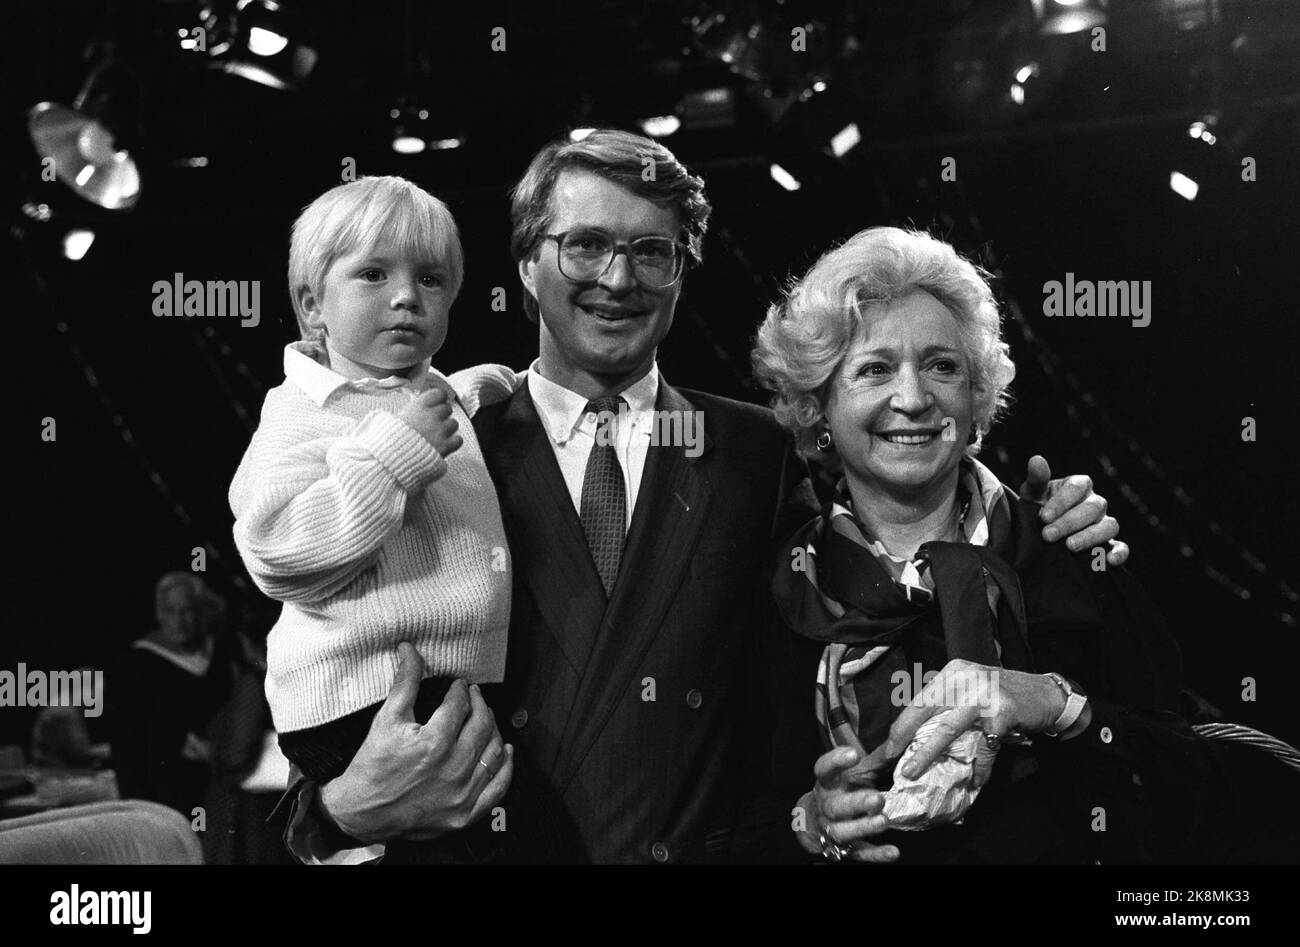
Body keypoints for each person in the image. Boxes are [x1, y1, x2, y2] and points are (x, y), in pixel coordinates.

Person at [281, 130, 1125, 865]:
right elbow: (339, 656)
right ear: (526, 263)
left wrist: (1051, 529)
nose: (619, 278)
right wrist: (339, 811)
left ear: (684, 271)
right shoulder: (440, 443)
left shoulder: (755, 450)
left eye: (654, 252)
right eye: (585, 245)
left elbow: (898, 542)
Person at [754, 226, 1264, 863]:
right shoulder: (781, 587)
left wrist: (1057, 706)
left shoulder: (1069, 551)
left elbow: (1189, 772)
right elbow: (736, 813)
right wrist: (812, 822)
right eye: (874, 369)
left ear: (976, 400)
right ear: (818, 406)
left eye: (943, 366)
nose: (912, 398)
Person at [229, 175, 580, 863]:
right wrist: (397, 455)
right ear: (311, 306)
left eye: (430, 278)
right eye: (371, 274)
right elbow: (277, 549)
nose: (405, 297)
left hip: (437, 687)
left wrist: (501, 386)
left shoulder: (419, 392)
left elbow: (455, 397)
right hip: (360, 703)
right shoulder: (303, 409)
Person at [111, 571, 232, 816]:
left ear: (200, 611)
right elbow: (129, 742)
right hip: (166, 789)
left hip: (221, 783)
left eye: (187, 610)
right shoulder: (138, 664)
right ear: (158, 613)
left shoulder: (221, 656)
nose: (179, 620)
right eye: (169, 611)